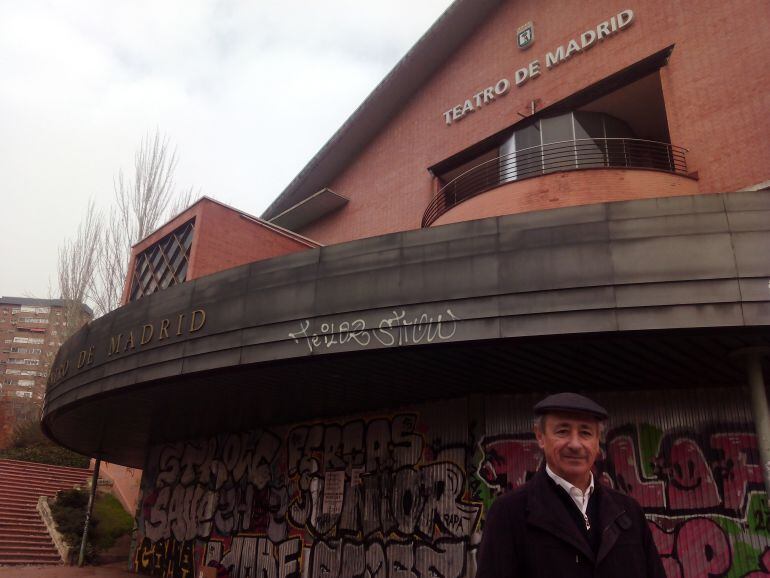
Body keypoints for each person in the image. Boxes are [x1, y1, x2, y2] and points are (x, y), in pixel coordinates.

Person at [476, 392, 666, 578]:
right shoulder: (508, 513)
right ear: (540, 437)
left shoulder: (629, 512)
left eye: (585, 433)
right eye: (562, 431)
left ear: (597, 440)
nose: (575, 444)